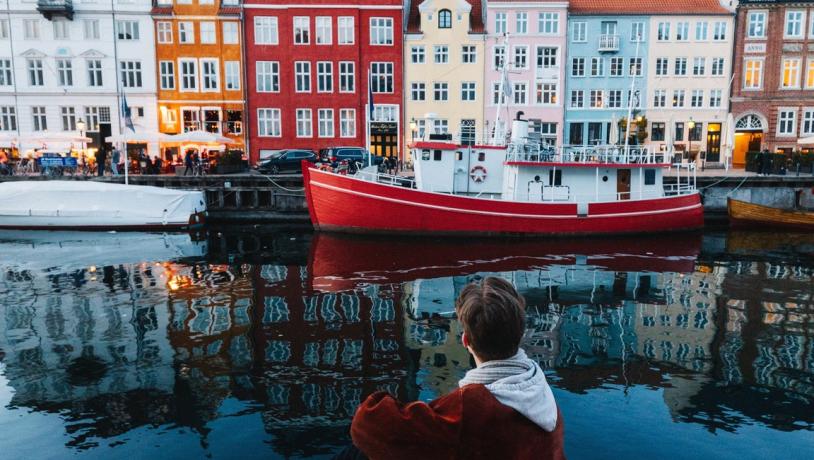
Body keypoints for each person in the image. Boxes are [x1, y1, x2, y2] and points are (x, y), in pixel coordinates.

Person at [350, 277, 564, 460]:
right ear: (519, 335)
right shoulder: (540, 388)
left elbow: (365, 425)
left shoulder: (467, 409)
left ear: (465, 340)